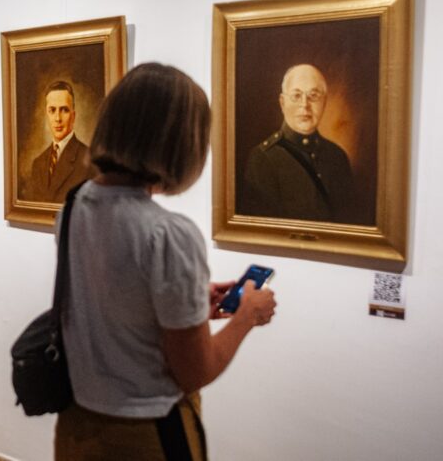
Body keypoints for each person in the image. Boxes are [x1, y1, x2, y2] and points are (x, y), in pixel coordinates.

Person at [55, 63, 277, 460]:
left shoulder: (72, 207)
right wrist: (247, 316)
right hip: (147, 435)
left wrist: (190, 300)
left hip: (76, 425)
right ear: (179, 142)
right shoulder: (168, 233)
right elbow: (195, 370)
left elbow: (115, 296)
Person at [239, 64, 359, 223]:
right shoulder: (263, 159)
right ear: (282, 103)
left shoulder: (338, 157)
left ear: (324, 102)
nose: (305, 105)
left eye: (313, 95)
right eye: (296, 96)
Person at [23, 81, 94, 203]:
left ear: (73, 116)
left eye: (64, 110)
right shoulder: (38, 164)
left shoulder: (89, 160)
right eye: (52, 110)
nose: (57, 118)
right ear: (47, 115)